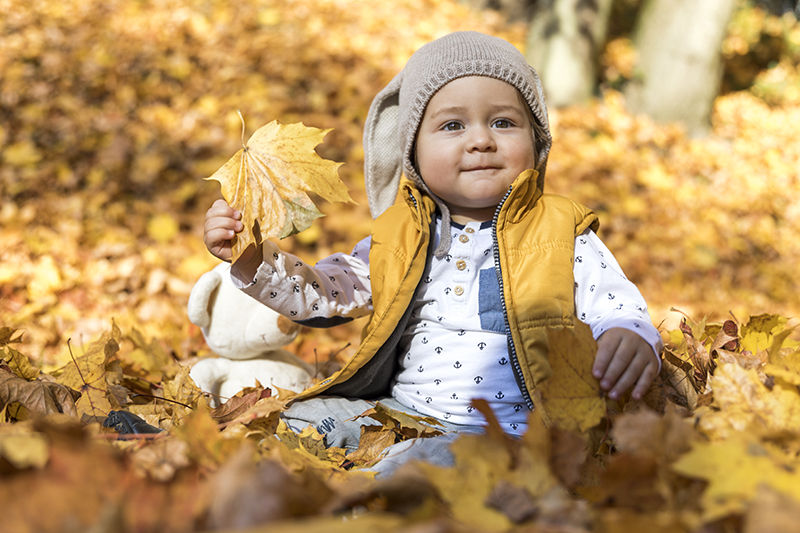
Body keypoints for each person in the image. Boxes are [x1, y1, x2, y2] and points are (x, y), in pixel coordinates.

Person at [203, 31, 663, 476]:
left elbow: (615, 302)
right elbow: (325, 293)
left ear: (537, 143)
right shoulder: (400, 236)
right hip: (403, 413)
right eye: (452, 125)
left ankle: (373, 504)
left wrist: (628, 333)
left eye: (503, 122)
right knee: (299, 421)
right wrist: (250, 259)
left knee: (424, 468)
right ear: (414, 154)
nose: (481, 139)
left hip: (514, 431)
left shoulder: (562, 230)